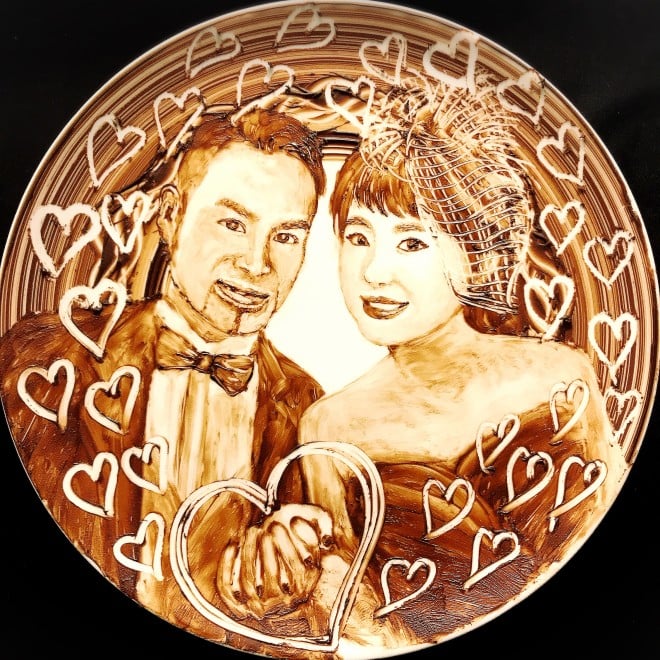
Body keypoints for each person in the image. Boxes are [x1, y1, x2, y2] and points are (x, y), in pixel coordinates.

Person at [296, 85, 627, 645]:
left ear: (474, 254)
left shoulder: (559, 376)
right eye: (357, 238)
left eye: (412, 243)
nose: (374, 272)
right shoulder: (328, 430)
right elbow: (357, 618)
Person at [0, 107, 331, 649]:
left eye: (287, 236)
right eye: (232, 224)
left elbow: (313, 634)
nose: (257, 264)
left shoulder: (311, 410)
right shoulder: (42, 357)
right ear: (172, 217)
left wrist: (289, 593)